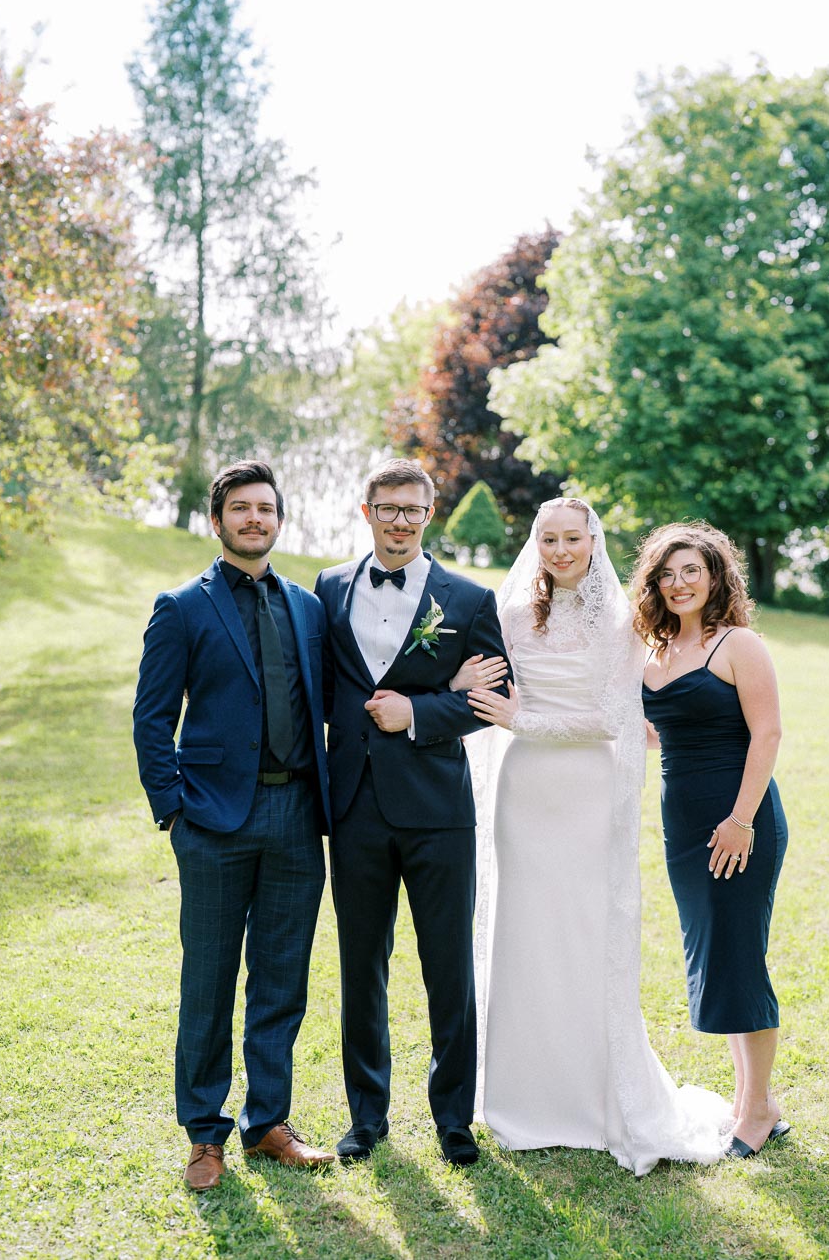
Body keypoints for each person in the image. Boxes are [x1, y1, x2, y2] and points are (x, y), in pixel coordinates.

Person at [463, 498, 731, 1176]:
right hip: (523, 792)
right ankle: (523, 1099)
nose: (559, 550)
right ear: (536, 542)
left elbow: (612, 716)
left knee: (582, 931)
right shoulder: (512, 610)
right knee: (524, 930)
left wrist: (525, 721)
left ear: (592, 541)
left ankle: (589, 1097)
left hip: (583, 789)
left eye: (571, 538)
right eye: (547, 538)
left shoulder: (621, 620)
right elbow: (484, 677)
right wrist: (470, 685)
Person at [133, 460, 335, 1190]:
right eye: (241, 509)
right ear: (217, 521)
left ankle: (268, 1124)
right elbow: (152, 719)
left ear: (280, 520)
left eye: (266, 509)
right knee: (210, 979)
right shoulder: (181, 606)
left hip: (295, 814)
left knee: (282, 978)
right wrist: (174, 808)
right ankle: (204, 1133)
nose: (255, 519)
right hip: (212, 819)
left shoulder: (309, 608)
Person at [314, 458, 509, 1166]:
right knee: (360, 965)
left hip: (437, 810)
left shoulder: (468, 599)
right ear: (366, 511)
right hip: (355, 805)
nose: (400, 521)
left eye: (413, 510)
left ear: (430, 515)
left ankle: (454, 1116)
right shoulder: (329, 587)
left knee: (447, 966)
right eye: (387, 508)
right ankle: (367, 1117)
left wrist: (420, 711)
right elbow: (325, 682)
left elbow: (494, 697)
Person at [633, 521, 789, 1159]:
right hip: (685, 828)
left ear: (716, 576)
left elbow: (769, 734)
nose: (678, 583)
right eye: (667, 574)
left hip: (740, 823)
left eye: (690, 571)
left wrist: (742, 819)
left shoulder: (738, 644)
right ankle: (756, 1101)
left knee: (739, 957)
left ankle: (755, 1113)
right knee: (716, 958)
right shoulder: (656, 653)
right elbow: (655, 730)